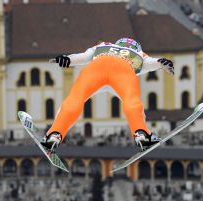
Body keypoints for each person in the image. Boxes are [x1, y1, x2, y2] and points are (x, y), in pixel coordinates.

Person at [41, 38, 174, 151]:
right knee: (131, 101)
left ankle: (54, 134)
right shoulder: (139, 53)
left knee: (75, 99)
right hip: (123, 71)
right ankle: (142, 134)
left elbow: (82, 56)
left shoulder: (104, 45)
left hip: (96, 68)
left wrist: (67, 59)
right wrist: (162, 63)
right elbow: (152, 63)